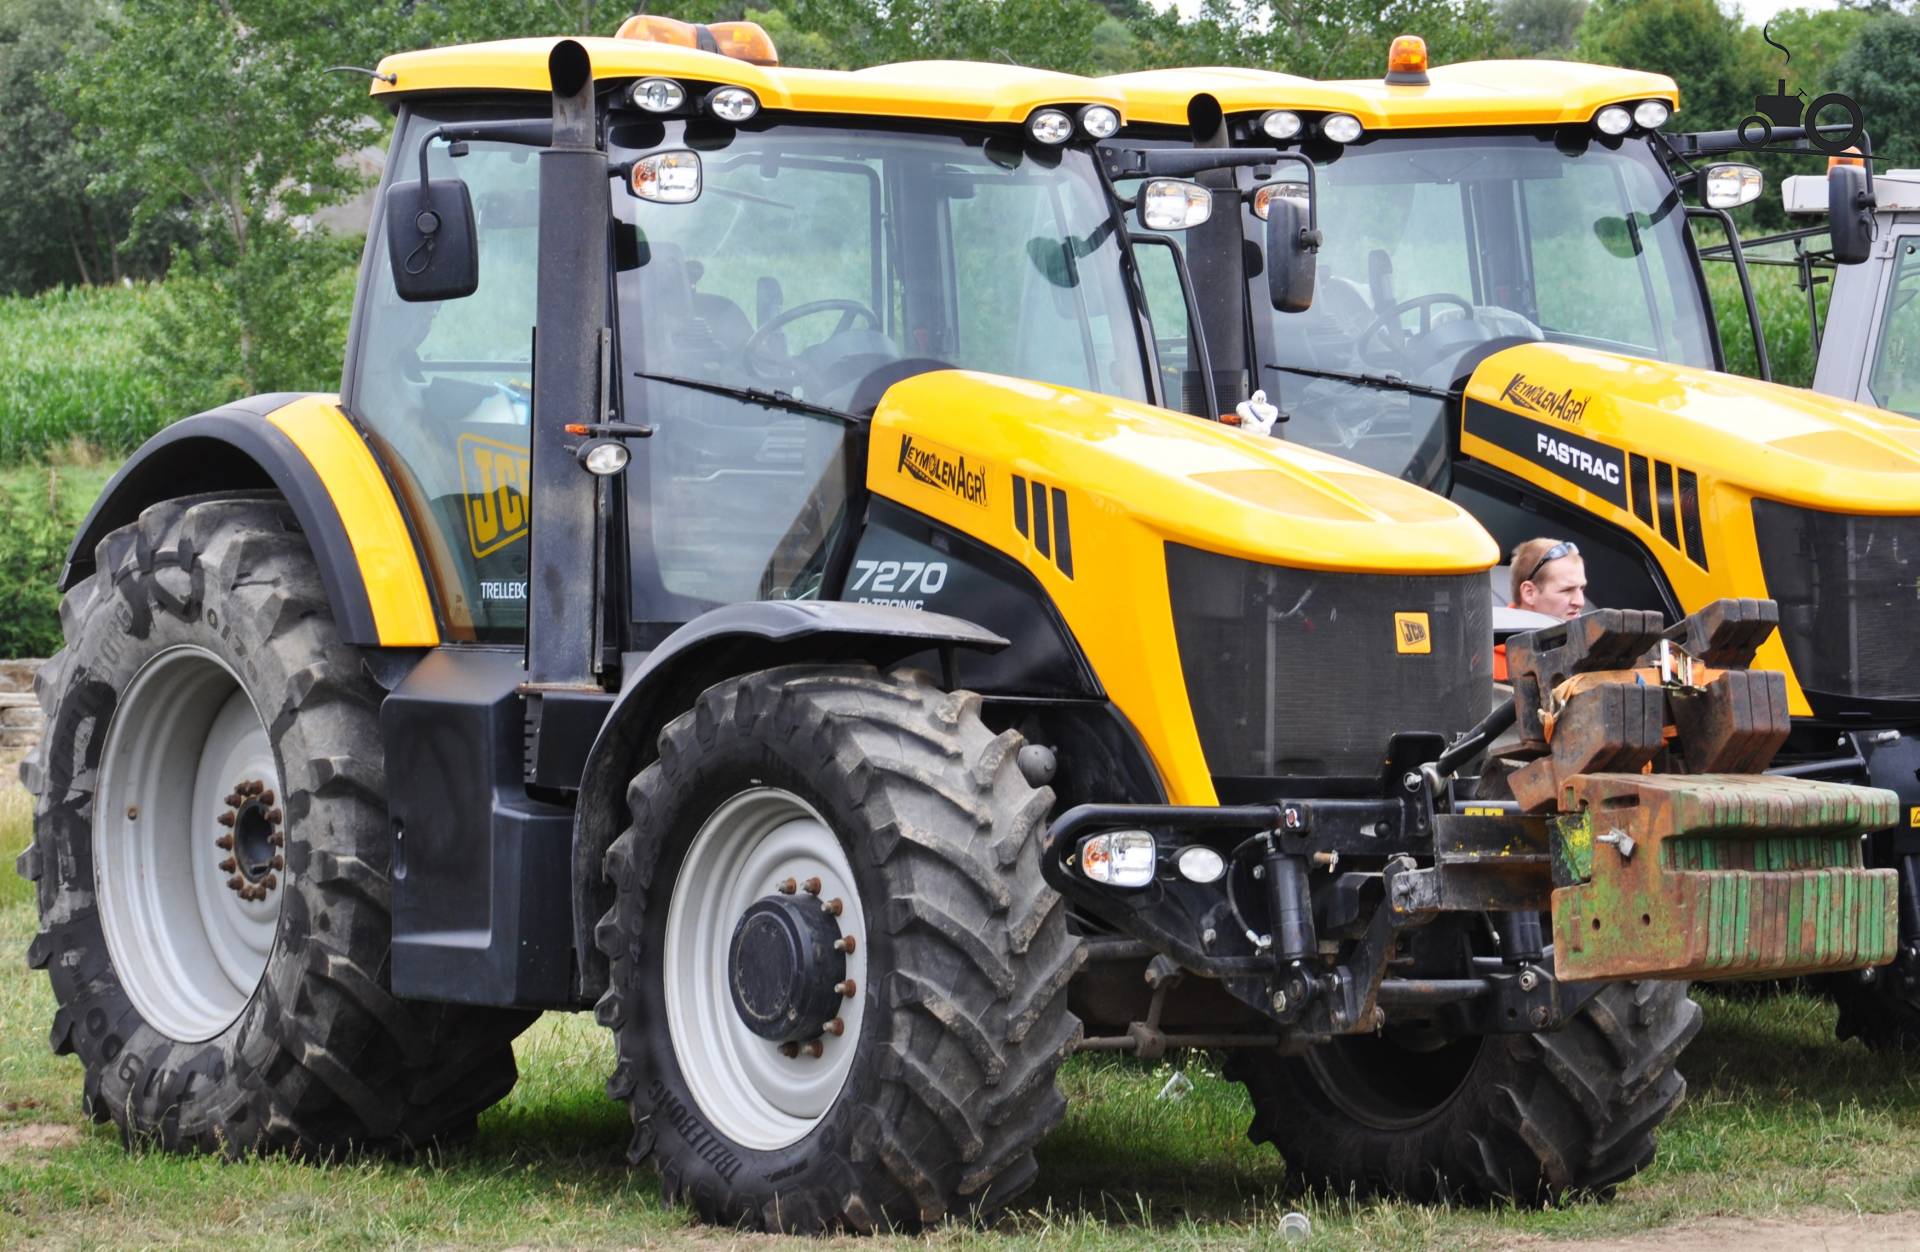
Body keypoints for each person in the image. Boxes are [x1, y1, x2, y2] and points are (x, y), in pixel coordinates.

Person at [1493, 539, 1586, 681]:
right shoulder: (1488, 666)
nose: (1580, 601)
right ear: (1529, 593)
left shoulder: (1589, 654)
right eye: (1566, 590)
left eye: (1582, 588)